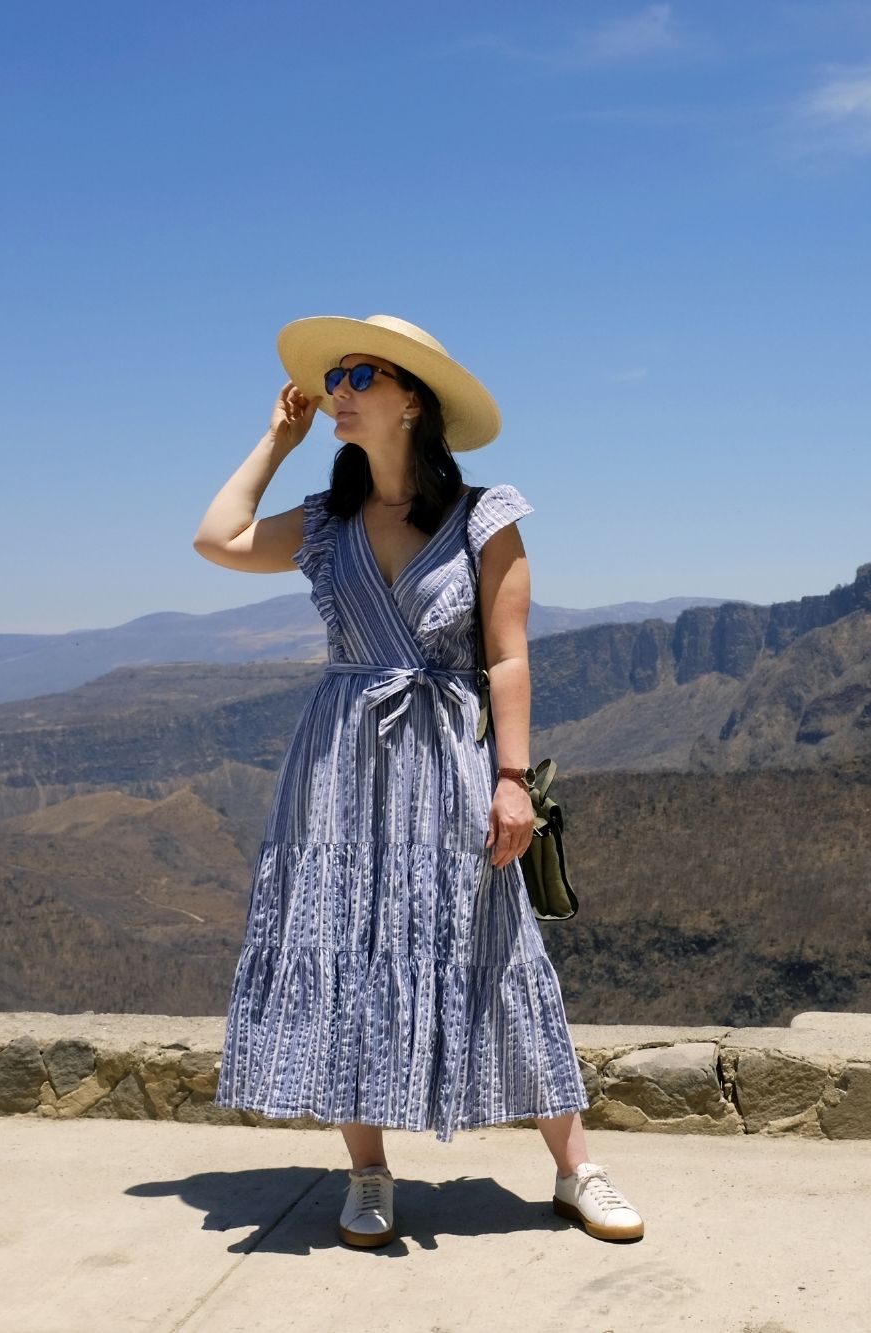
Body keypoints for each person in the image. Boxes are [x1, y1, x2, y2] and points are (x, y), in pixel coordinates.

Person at [191, 313, 643, 1247]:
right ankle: (368, 1171)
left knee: (497, 943)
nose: (339, 390)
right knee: (346, 943)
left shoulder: (488, 516)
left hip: (449, 760)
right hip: (338, 766)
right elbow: (217, 537)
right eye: (335, 376)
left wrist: (512, 779)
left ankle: (577, 1169)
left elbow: (509, 659)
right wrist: (276, 440)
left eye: (361, 374)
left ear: (413, 400)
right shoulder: (326, 523)